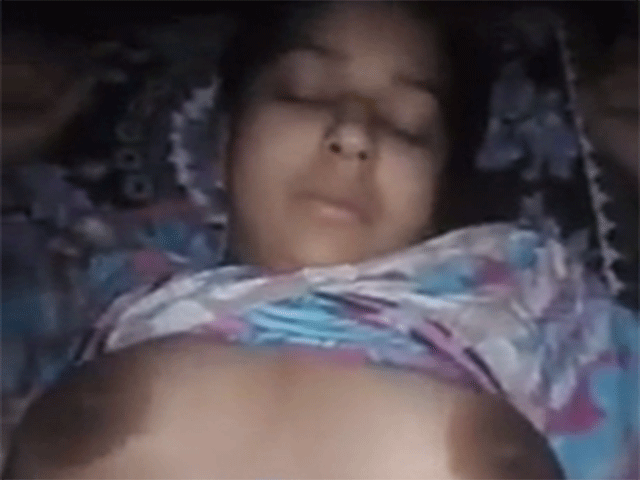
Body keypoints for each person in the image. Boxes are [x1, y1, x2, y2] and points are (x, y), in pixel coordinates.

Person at [4, 2, 634, 478]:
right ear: (223, 140)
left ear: (440, 191)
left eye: (408, 124)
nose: (354, 134)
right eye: (303, 91)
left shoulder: (530, 292)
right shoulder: (99, 271)